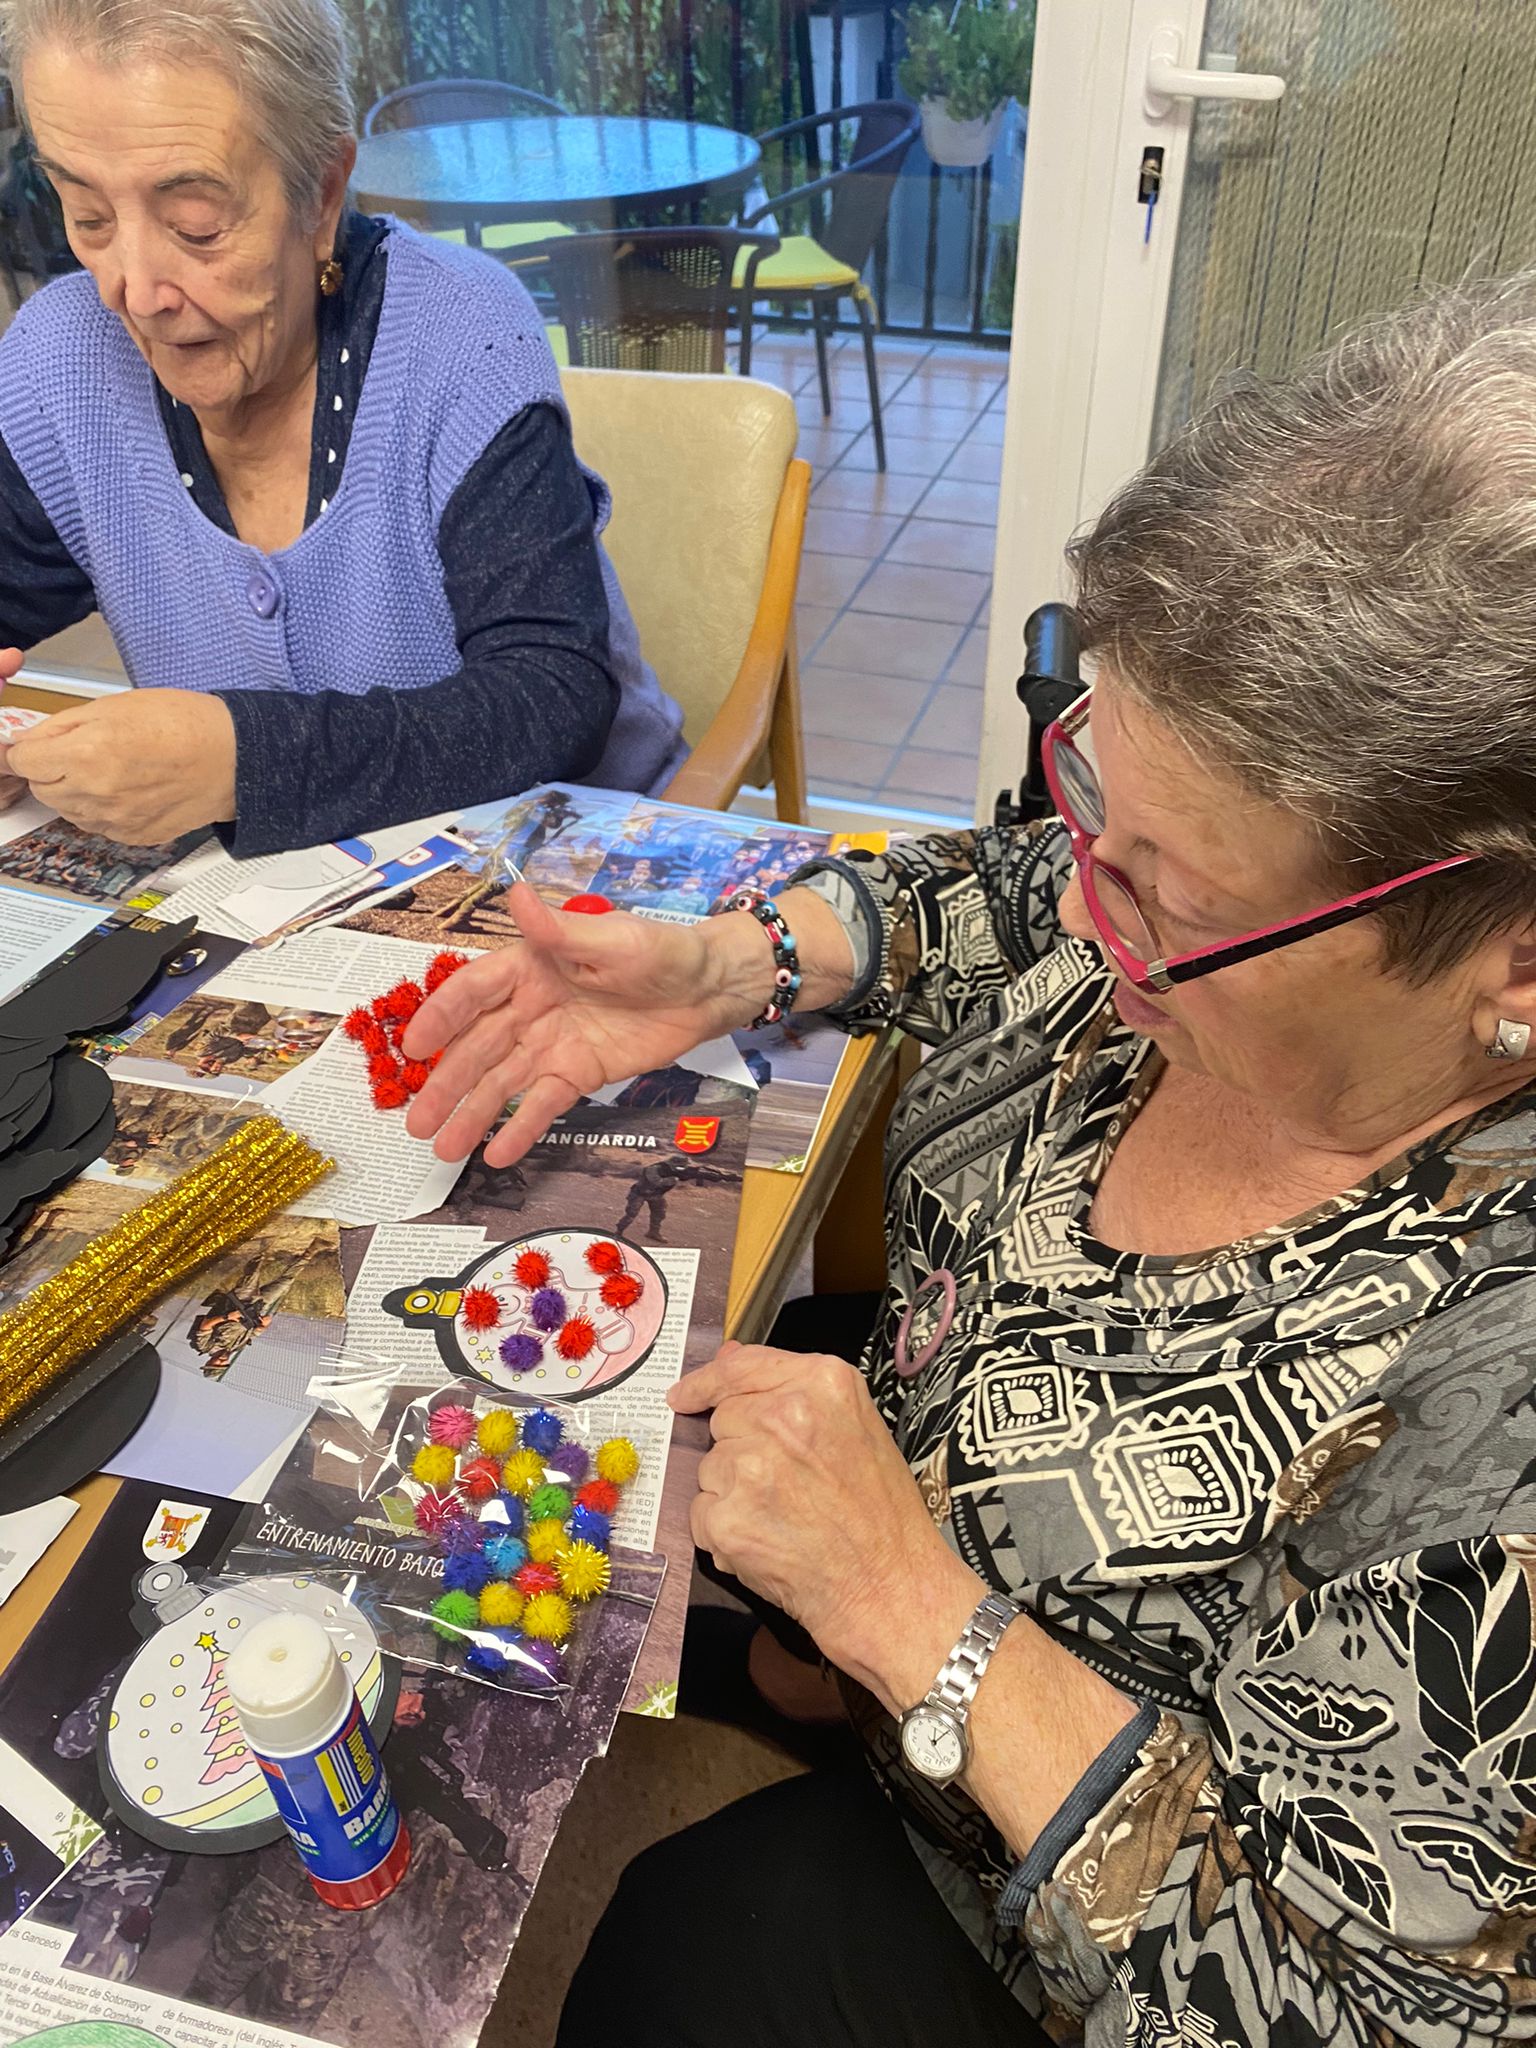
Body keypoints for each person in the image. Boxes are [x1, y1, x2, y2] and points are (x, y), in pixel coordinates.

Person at [403, 274, 1536, 2048]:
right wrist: (736, 961)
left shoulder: (1492, 1414)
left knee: (676, 1948)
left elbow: (1340, 2009)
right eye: (1095, 794)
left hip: (1056, 1925)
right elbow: (1004, 894)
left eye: (1169, 900)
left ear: (1510, 958)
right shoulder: (1160, 895)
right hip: (901, 1561)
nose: (1089, 912)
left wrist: (911, 1615)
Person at [0, 0, 685, 858]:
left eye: (195, 226)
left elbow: (549, 699)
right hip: (283, 887)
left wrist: (244, 761)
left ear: (321, 194)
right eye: (88, 216)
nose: (133, 291)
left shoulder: (460, 337)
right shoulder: (62, 361)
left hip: (571, 848)